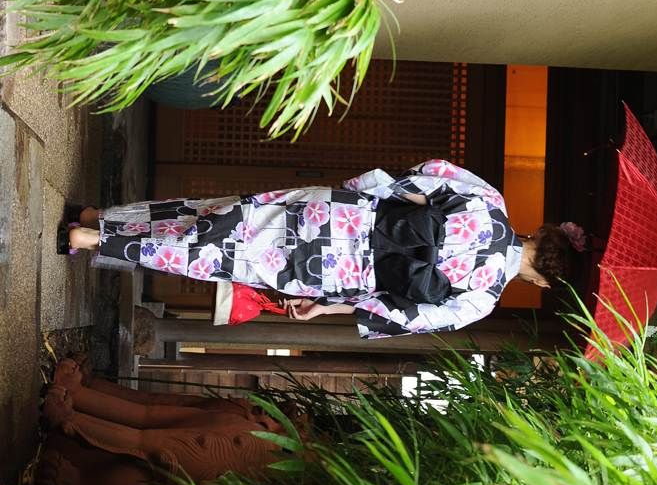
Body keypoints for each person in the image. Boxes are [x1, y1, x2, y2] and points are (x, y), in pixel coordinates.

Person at [58, 160, 585, 339]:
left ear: (539, 234)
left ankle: (100, 219)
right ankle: (97, 236)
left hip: (342, 216)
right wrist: (325, 307)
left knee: (219, 213)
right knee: (216, 257)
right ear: (541, 280)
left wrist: (363, 192)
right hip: (331, 271)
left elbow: (422, 179)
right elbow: (396, 313)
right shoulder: (480, 302)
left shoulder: (489, 203)